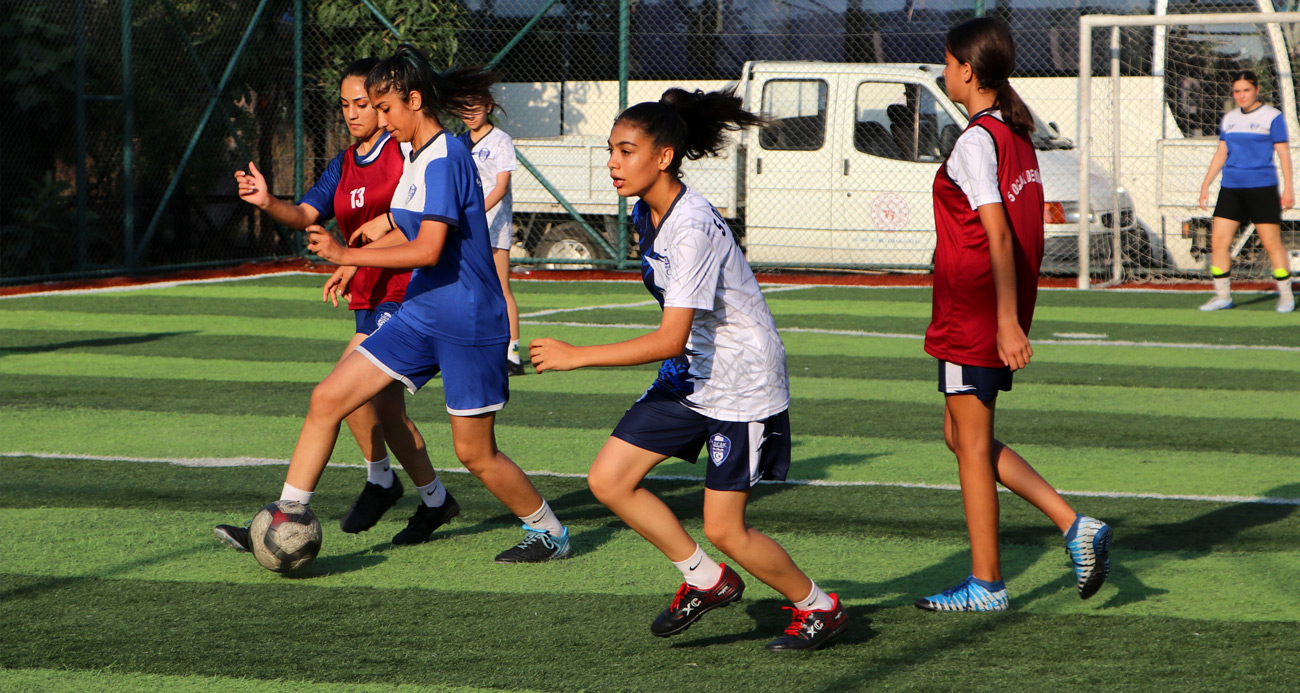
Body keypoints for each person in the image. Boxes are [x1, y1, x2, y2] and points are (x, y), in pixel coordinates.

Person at [220, 45, 572, 564]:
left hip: (468, 319)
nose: (380, 120)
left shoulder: (448, 156)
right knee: (328, 399)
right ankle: (286, 516)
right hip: (423, 313)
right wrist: (356, 257)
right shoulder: (416, 155)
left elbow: (429, 247)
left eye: (385, 109)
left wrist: (344, 251)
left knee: (475, 453)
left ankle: (550, 533)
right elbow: (399, 227)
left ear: (413, 100)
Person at [529, 88, 848, 651]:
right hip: (693, 373)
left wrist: (577, 355)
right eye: (611, 150)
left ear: (664, 157)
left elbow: (669, 335)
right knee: (609, 480)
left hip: (742, 382)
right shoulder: (644, 210)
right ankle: (706, 579)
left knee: (726, 528)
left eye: (626, 151)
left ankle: (818, 606)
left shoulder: (691, 227)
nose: (612, 162)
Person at [917, 17, 1112, 612]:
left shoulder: (978, 140)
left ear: (969, 71)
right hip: (987, 307)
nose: (944, 72)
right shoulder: (1013, 131)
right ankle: (1073, 524)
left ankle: (988, 584)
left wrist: (1004, 321)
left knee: (969, 446)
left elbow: (999, 239)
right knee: (960, 435)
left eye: (948, 63)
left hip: (973, 311)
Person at [223, 58, 448, 546]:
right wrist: (267, 202)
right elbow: (305, 212)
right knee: (379, 410)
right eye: (344, 104)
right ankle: (427, 497)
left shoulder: (408, 150)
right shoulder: (344, 163)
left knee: (333, 395)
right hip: (369, 296)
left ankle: (294, 512)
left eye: (363, 104)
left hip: (407, 292)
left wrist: (353, 253)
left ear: (386, 103)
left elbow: (415, 221)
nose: (352, 113)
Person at [1197, 69, 1295, 313]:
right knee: (1218, 241)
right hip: (1231, 189)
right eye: (1237, 91)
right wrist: (1205, 184)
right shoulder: (1229, 119)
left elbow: (1283, 154)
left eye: (1246, 90)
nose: (1241, 95)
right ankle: (1223, 296)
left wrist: (1289, 188)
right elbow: (1222, 152)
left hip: (1262, 189)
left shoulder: (1272, 116)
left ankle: (1286, 296)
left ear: (1257, 90)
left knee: (1271, 244)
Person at [458, 95, 524, 375]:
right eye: (464, 108)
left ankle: (513, 355)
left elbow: (501, 187)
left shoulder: (501, 140)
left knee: (500, 289)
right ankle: (474, 349)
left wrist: (473, 213)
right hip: (464, 228)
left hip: (494, 226)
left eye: (475, 107)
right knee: (469, 290)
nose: (470, 114)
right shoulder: (458, 142)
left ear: (488, 107)